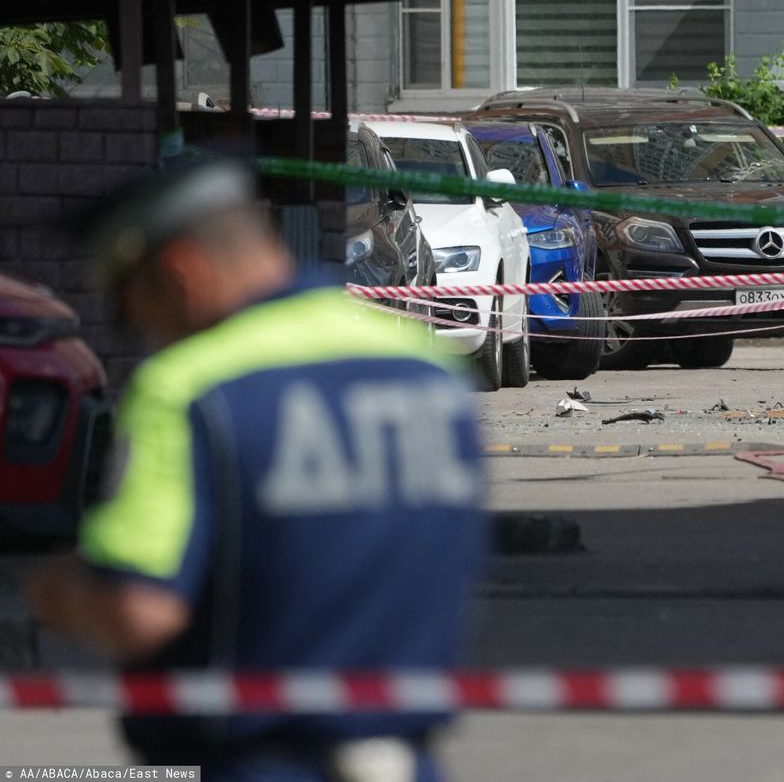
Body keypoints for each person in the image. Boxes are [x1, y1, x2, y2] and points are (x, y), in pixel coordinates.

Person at [27, 159, 486, 782]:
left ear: (179, 273)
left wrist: (61, 593)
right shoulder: (426, 371)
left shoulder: (192, 388)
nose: (142, 333)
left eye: (129, 308)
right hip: (405, 758)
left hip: (249, 763)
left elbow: (139, 611)